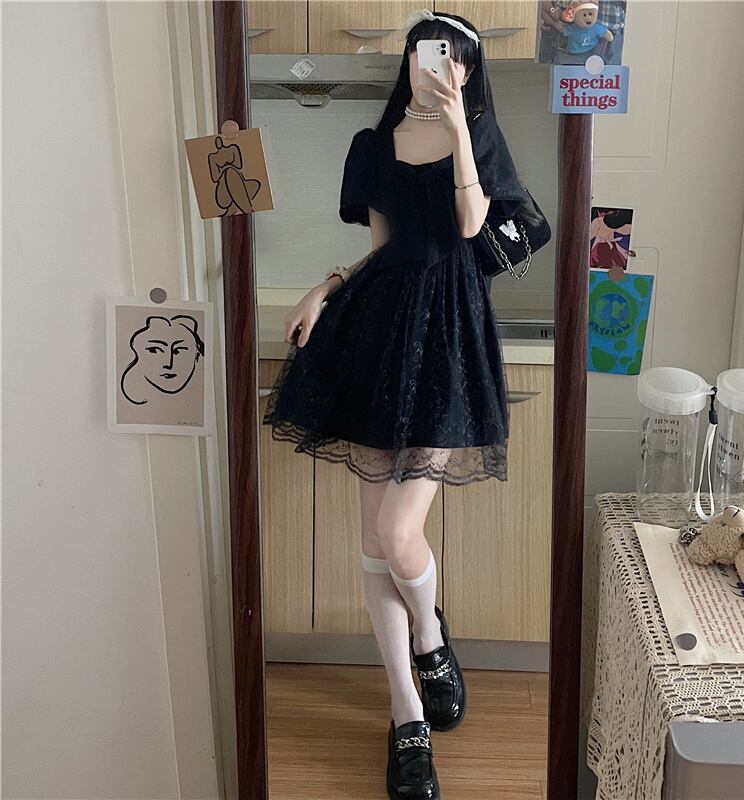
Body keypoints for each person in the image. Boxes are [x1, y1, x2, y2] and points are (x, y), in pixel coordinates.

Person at [262, 8, 529, 799]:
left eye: (453, 57)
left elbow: (473, 225)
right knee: (374, 538)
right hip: (380, 331)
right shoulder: (372, 147)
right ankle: (406, 708)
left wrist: (458, 129)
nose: (437, 64)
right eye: (426, 52)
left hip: (448, 339)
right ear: (408, 59)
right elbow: (383, 250)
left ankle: (430, 632)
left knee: (397, 531)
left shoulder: (478, 138)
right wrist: (325, 287)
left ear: (469, 70)